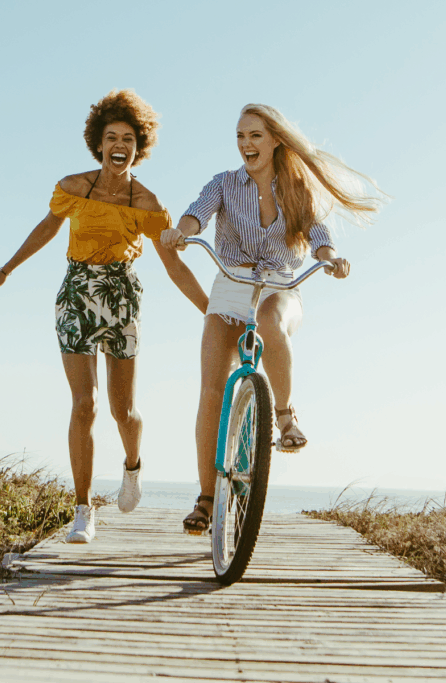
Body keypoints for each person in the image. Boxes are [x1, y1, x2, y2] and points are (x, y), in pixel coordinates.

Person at [0, 89, 208, 543]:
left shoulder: (146, 203)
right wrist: (7, 269)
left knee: (122, 409)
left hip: (121, 295)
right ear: (99, 143)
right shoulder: (73, 188)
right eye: (111, 137)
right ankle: (83, 509)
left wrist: (210, 310)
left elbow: (173, 265)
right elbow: (48, 226)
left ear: (138, 147)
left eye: (128, 137)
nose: (118, 144)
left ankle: (132, 466)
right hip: (76, 294)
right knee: (84, 404)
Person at [160, 103, 386, 533]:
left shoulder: (296, 188)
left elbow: (318, 234)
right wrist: (182, 232)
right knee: (211, 388)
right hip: (231, 282)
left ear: (275, 140)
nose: (246, 144)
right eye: (241, 137)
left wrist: (330, 257)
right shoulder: (225, 184)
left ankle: (283, 416)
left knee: (269, 322)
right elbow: (196, 213)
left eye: (255, 136)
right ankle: (206, 499)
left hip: (281, 284)